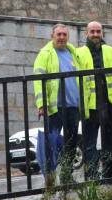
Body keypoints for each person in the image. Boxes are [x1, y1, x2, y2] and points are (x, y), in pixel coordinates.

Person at [32, 23, 90, 185]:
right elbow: (38, 80)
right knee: (51, 143)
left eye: (65, 35)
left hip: (73, 106)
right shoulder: (45, 54)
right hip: (54, 107)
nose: (62, 37)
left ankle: (66, 176)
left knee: (71, 142)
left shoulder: (73, 53)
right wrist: (41, 103)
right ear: (52, 36)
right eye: (59, 34)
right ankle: (50, 176)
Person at [77, 21, 112, 179]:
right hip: (90, 104)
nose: (95, 34)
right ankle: (92, 175)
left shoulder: (111, 51)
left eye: (98, 31)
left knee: (109, 141)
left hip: (110, 102)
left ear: (102, 33)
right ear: (86, 33)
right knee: (90, 143)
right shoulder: (79, 53)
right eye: (92, 31)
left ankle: (109, 174)